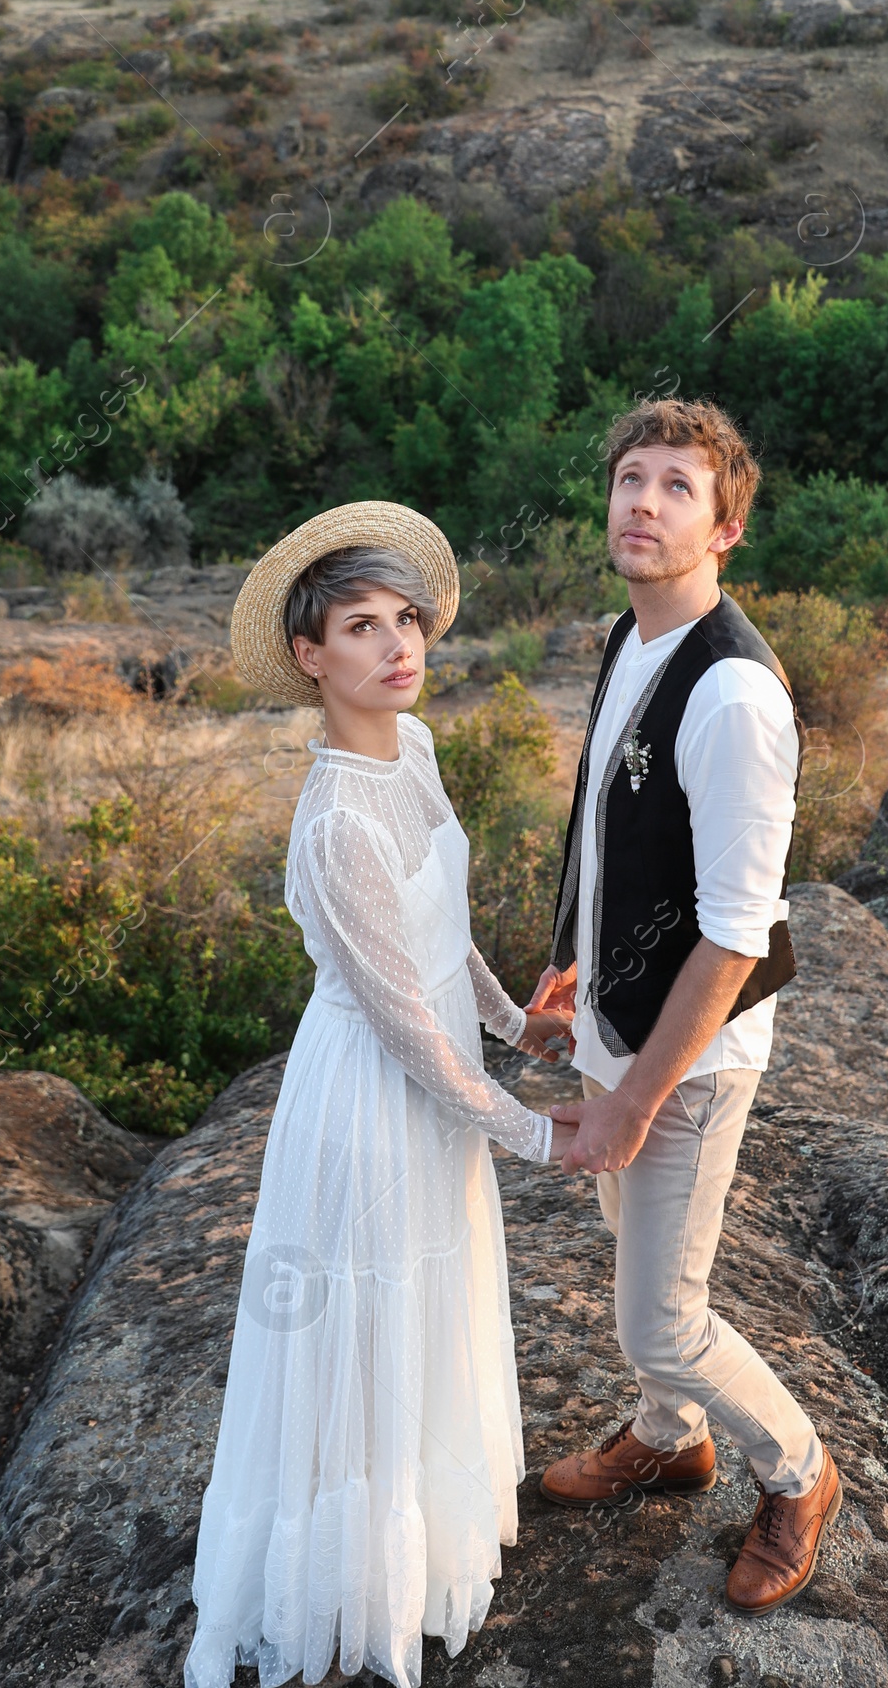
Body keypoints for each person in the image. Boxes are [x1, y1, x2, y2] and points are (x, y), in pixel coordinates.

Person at [184, 501, 572, 1688]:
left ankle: (425, 1528)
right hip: (368, 1100)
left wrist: (517, 1024)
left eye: (407, 620)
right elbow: (399, 1015)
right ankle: (349, 1587)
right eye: (363, 626)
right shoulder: (336, 818)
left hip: (438, 1076)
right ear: (311, 657)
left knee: (428, 1301)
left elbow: (442, 936)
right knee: (361, 1320)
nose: (401, 645)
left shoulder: (417, 750)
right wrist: (534, 1132)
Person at [524, 398, 843, 1611]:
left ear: (726, 529)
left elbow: (733, 933)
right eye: (629, 479)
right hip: (621, 1019)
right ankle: (668, 1437)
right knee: (627, 1252)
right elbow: (613, 835)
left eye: (676, 488)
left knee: (663, 1315)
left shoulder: (734, 698)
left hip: (692, 1058)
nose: (643, 503)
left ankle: (798, 1471)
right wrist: (578, 965)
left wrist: (632, 1101)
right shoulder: (632, 634)